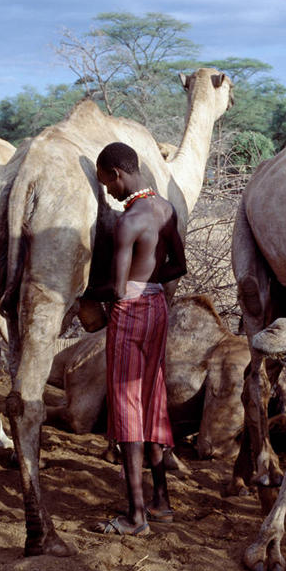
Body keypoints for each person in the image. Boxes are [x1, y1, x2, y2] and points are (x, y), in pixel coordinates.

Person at [90, 141, 187, 536]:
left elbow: (115, 289)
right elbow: (178, 264)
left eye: (106, 184)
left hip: (129, 314)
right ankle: (161, 501)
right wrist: (149, 284)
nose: (109, 192)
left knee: (127, 406)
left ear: (116, 175)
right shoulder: (166, 209)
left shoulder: (127, 221)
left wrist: (85, 294)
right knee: (152, 398)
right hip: (158, 310)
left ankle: (135, 515)